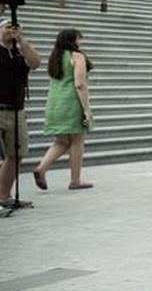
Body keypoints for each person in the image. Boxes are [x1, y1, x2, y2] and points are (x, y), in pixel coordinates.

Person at [33, 28, 93, 191]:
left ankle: (41, 169)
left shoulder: (55, 58)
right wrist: (86, 109)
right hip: (72, 103)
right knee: (77, 141)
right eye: (79, 39)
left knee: (62, 141)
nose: (81, 43)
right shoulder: (77, 56)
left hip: (55, 103)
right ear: (72, 41)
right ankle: (75, 180)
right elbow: (80, 84)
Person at [0, 20, 41, 204]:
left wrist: (22, 41)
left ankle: (3, 195)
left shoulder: (19, 51)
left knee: (17, 154)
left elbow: (35, 63)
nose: (11, 31)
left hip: (17, 110)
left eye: (15, 28)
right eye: (7, 27)